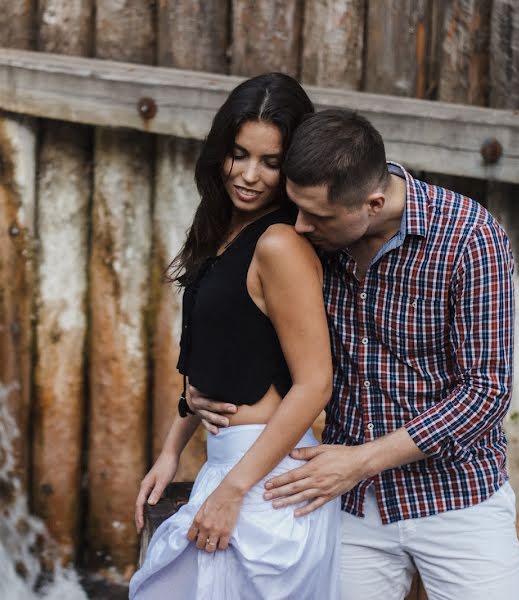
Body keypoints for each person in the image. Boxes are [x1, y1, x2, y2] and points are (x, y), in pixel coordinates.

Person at [188, 109, 519, 600]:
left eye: (317, 216)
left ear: (372, 203)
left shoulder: (470, 239)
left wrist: (362, 462)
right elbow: (238, 310)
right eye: (297, 209)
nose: (300, 227)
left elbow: (487, 392)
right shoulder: (317, 235)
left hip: (457, 497)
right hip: (345, 504)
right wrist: (196, 391)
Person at [129, 73, 340, 600]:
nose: (249, 175)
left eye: (270, 163)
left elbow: (315, 384)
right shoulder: (222, 226)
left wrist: (233, 490)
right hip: (229, 467)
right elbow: (212, 351)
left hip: (266, 484)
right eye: (239, 154)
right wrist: (171, 451)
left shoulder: (279, 244)